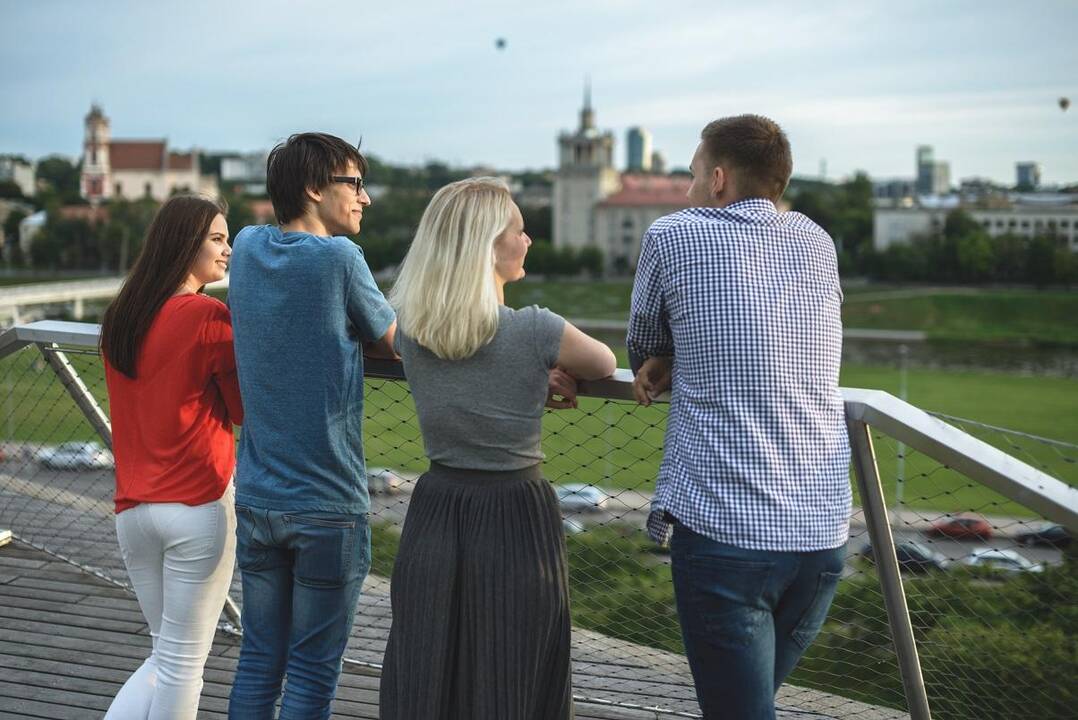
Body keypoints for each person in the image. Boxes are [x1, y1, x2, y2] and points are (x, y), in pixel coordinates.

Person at [627, 115, 852, 720]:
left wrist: (667, 357)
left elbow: (643, 341)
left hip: (728, 533)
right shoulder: (816, 239)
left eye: (695, 175)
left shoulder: (674, 235)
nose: (689, 188)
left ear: (720, 179)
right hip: (822, 534)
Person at [379, 177, 616, 720]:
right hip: (515, 515)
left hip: (436, 506)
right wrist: (545, 374)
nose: (528, 240)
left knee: (429, 664)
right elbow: (603, 364)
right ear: (488, 243)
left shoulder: (412, 329)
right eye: (519, 229)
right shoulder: (535, 330)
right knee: (512, 672)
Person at [226, 133, 397, 719]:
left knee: (258, 659)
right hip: (326, 503)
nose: (364, 198)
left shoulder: (246, 247)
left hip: (257, 499)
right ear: (313, 188)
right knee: (312, 673)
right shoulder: (340, 259)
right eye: (354, 183)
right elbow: (397, 343)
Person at [100, 195, 242, 720]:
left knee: (165, 657)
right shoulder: (207, 314)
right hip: (197, 506)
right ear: (185, 244)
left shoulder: (122, 317)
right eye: (218, 238)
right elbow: (244, 408)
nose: (229, 249)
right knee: (183, 666)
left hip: (133, 513)